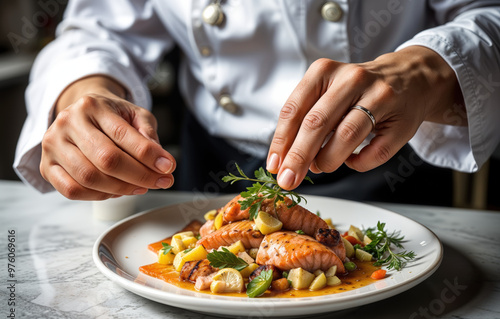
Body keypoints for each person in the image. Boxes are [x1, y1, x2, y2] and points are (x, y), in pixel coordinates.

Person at [13, 0, 500, 202]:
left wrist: (427, 69)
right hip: (208, 173)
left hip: (392, 163)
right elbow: (100, 27)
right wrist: (85, 92)